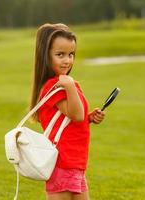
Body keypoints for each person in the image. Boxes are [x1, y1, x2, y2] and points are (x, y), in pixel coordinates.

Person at [30, 23, 105, 200]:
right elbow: (76, 115)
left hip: (75, 163)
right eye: (60, 55)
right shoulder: (54, 86)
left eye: (71, 54)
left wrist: (89, 119)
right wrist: (70, 85)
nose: (67, 60)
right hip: (62, 163)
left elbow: (73, 118)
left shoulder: (64, 84)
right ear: (46, 56)